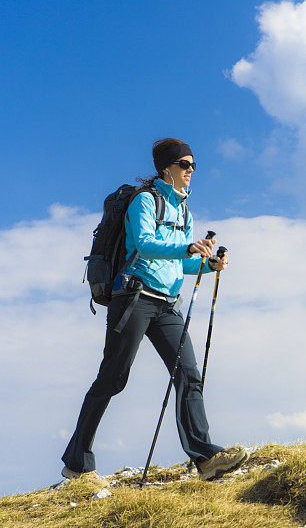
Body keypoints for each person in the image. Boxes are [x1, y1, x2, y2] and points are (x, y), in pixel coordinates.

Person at [61, 137, 247, 485]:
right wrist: (188, 246)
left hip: (167, 305)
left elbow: (180, 265)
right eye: (185, 164)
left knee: (189, 375)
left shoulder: (184, 211)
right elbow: (144, 245)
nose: (191, 170)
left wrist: (208, 266)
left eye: (193, 165)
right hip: (133, 299)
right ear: (167, 167)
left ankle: (206, 458)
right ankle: (77, 463)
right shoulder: (145, 202)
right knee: (112, 380)